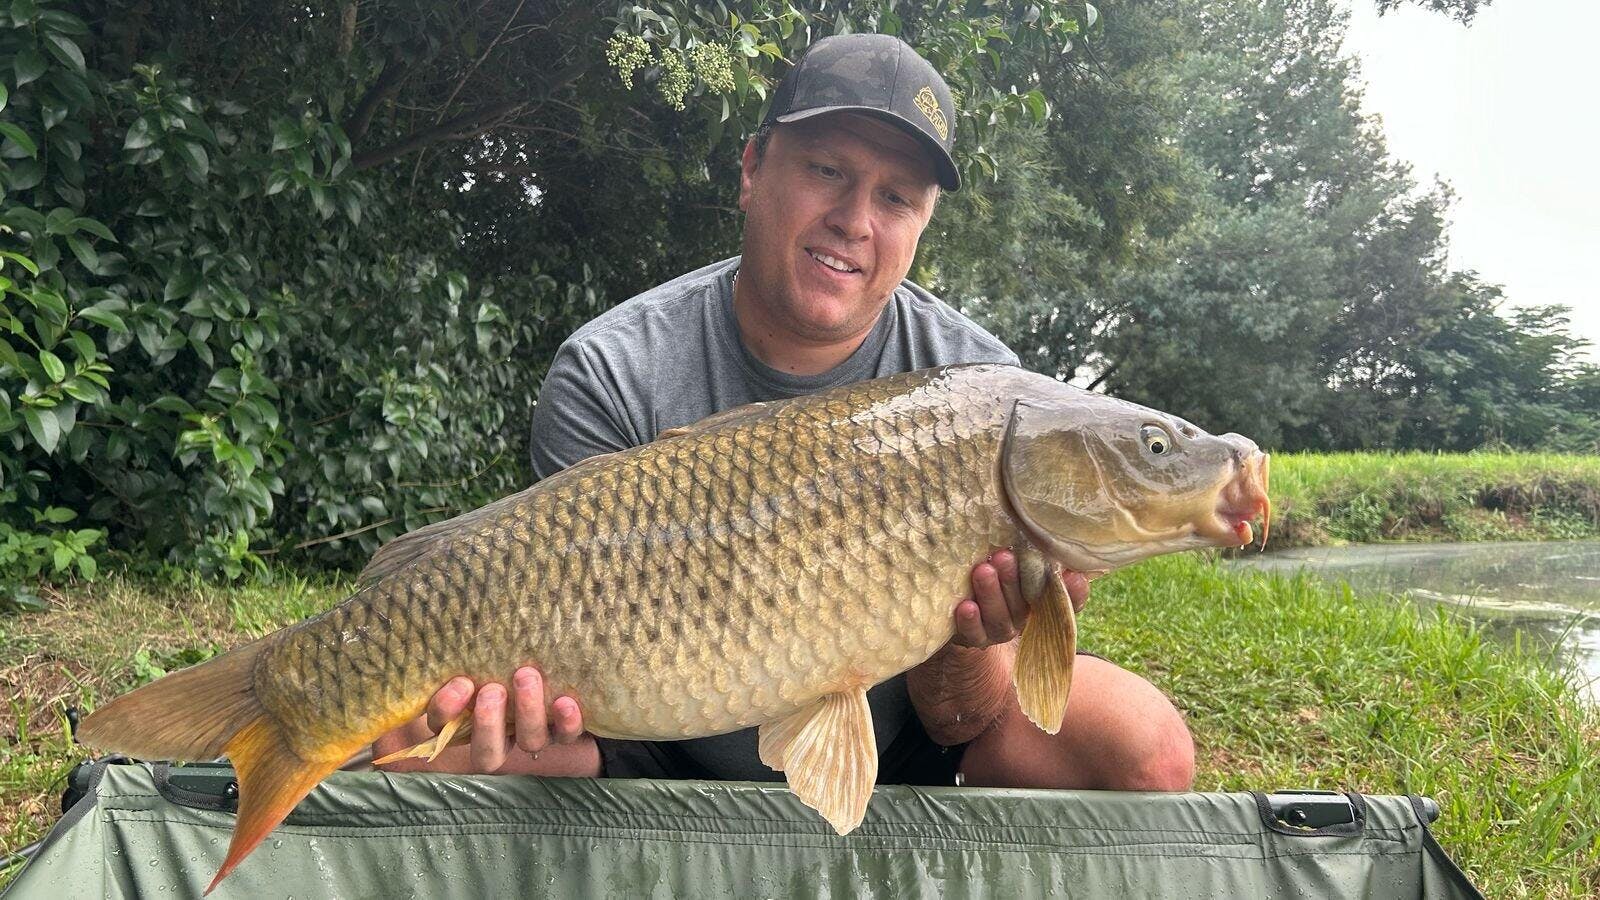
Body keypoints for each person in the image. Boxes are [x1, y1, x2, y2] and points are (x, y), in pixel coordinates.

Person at [374, 33, 1195, 793]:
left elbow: (963, 717)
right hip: (656, 740)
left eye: (896, 197)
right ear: (752, 169)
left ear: (922, 224)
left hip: (906, 737)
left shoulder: (983, 393)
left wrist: (973, 635)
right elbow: (572, 668)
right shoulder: (612, 371)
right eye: (826, 171)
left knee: (1146, 747)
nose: (855, 221)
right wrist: (514, 706)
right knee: (415, 747)